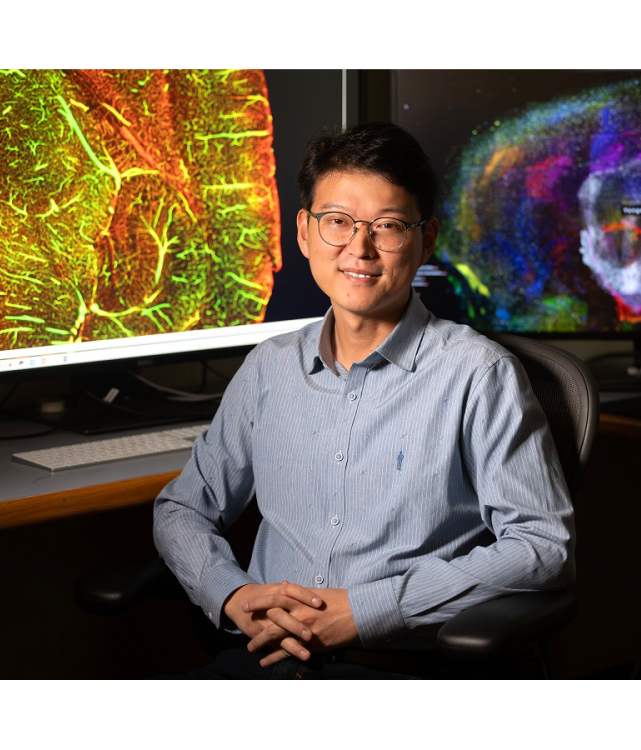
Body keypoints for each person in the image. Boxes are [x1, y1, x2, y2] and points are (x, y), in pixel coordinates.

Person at [152, 121, 575, 678]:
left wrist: (367, 610)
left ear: (427, 239)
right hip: (263, 661)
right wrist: (229, 594)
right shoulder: (269, 368)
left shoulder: (479, 374)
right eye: (338, 222)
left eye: (389, 226)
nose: (360, 247)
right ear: (304, 232)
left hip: (397, 665)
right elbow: (182, 508)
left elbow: (543, 546)